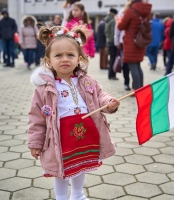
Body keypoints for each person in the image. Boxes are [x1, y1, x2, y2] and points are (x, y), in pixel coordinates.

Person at [28, 25, 120, 200]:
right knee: (61, 169)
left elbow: (100, 95)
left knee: (81, 165)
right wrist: (35, 142)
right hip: (60, 137)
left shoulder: (86, 81)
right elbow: (36, 118)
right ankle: (61, 197)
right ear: (48, 60)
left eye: (70, 55)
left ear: (79, 58)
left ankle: (78, 194)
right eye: (58, 55)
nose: (65, 59)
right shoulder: (44, 89)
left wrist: (109, 103)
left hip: (85, 133)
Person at [118, 0, 152, 91]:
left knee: (133, 66)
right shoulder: (146, 11)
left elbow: (121, 26)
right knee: (137, 65)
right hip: (141, 41)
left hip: (131, 42)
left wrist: (118, 20)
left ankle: (137, 90)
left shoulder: (130, 11)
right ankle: (141, 88)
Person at [114, 2, 130, 90]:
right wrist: (116, 41)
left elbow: (118, 27)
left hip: (124, 40)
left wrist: (117, 41)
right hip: (125, 41)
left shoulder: (123, 12)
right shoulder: (123, 12)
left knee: (127, 63)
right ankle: (130, 83)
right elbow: (118, 27)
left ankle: (127, 83)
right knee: (130, 63)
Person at [104, 8, 118, 80]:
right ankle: (112, 75)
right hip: (113, 42)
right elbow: (114, 33)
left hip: (108, 41)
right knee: (113, 59)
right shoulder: (113, 21)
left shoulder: (107, 20)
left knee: (111, 59)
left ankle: (110, 75)